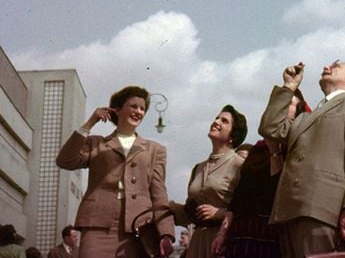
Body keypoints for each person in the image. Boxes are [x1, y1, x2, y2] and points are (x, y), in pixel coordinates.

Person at [259, 59, 345, 258]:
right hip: (289, 211)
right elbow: (270, 128)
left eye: (335, 66)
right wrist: (289, 86)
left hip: (324, 211)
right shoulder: (305, 117)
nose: (326, 67)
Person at [56, 85, 175, 258]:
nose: (138, 112)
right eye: (133, 106)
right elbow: (65, 161)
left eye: (142, 108)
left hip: (138, 228)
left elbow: (158, 193)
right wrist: (90, 123)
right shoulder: (96, 144)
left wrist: (166, 232)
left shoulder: (155, 150)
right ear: (117, 110)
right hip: (97, 225)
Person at [212, 91, 310, 258]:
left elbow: (278, 190)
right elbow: (239, 195)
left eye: (287, 105)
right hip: (241, 230)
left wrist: (274, 151)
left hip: (269, 233)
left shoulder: (296, 146)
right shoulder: (257, 148)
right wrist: (222, 233)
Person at [171, 105, 248, 258]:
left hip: (224, 242)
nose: (216, 121)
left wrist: (219, 213)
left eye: (224, 121)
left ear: (233, 135)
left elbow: (248, 209)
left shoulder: (240, 165)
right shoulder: (198, 168)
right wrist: (169, 207)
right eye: (217, 118)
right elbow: (190, 214)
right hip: (197, 242)